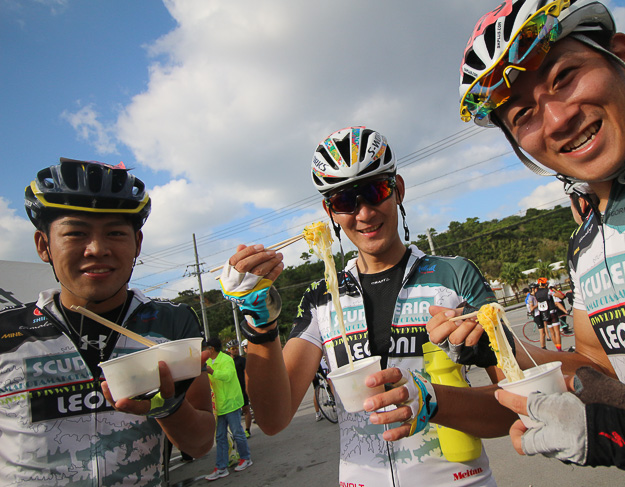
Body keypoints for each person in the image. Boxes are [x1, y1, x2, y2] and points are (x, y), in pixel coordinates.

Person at [368, 1, 625, 485]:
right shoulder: (585, 240)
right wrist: (497, 348)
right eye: (524, 115)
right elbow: (596, 368)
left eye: (564, 77)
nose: (557, 119)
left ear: (623, 58)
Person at [217, 126, 515, 486]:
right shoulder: (322, 296)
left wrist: (434, 402)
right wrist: (258, 325)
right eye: (344, 202)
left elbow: (516, 405)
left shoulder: (454, 275)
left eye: (375, 191)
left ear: (398, 190)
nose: (364, 213)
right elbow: (274, 417)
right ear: (330, 212)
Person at [0, 158, 215, 485]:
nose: (97, 249)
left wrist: (166, 406)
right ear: (44, 246)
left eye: (115, 232)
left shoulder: (172, 323)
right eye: (76, 233)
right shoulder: (8, 332)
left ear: (137, 245)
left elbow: (200, 445)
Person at [205, 337, 253, 481]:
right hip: (218, 406)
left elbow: (227, 376)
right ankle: (221, 467)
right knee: (220, 437)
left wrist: (212, 371)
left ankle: (246, 458)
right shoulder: (206, 362)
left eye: (206, 348)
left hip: (230, 403)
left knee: (238, 432)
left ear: (211, 349)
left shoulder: (226, 360)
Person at [229, 340, 252, 437]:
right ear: (229, 350)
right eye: (233, 349)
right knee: (234, 413)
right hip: (232, 390)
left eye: (237, 348)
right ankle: (237, 432)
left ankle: (247, 430)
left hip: (242, 388)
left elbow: (248, 374)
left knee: (246, 409)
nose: (235, 350)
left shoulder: (242, 360)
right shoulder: (227, 361)